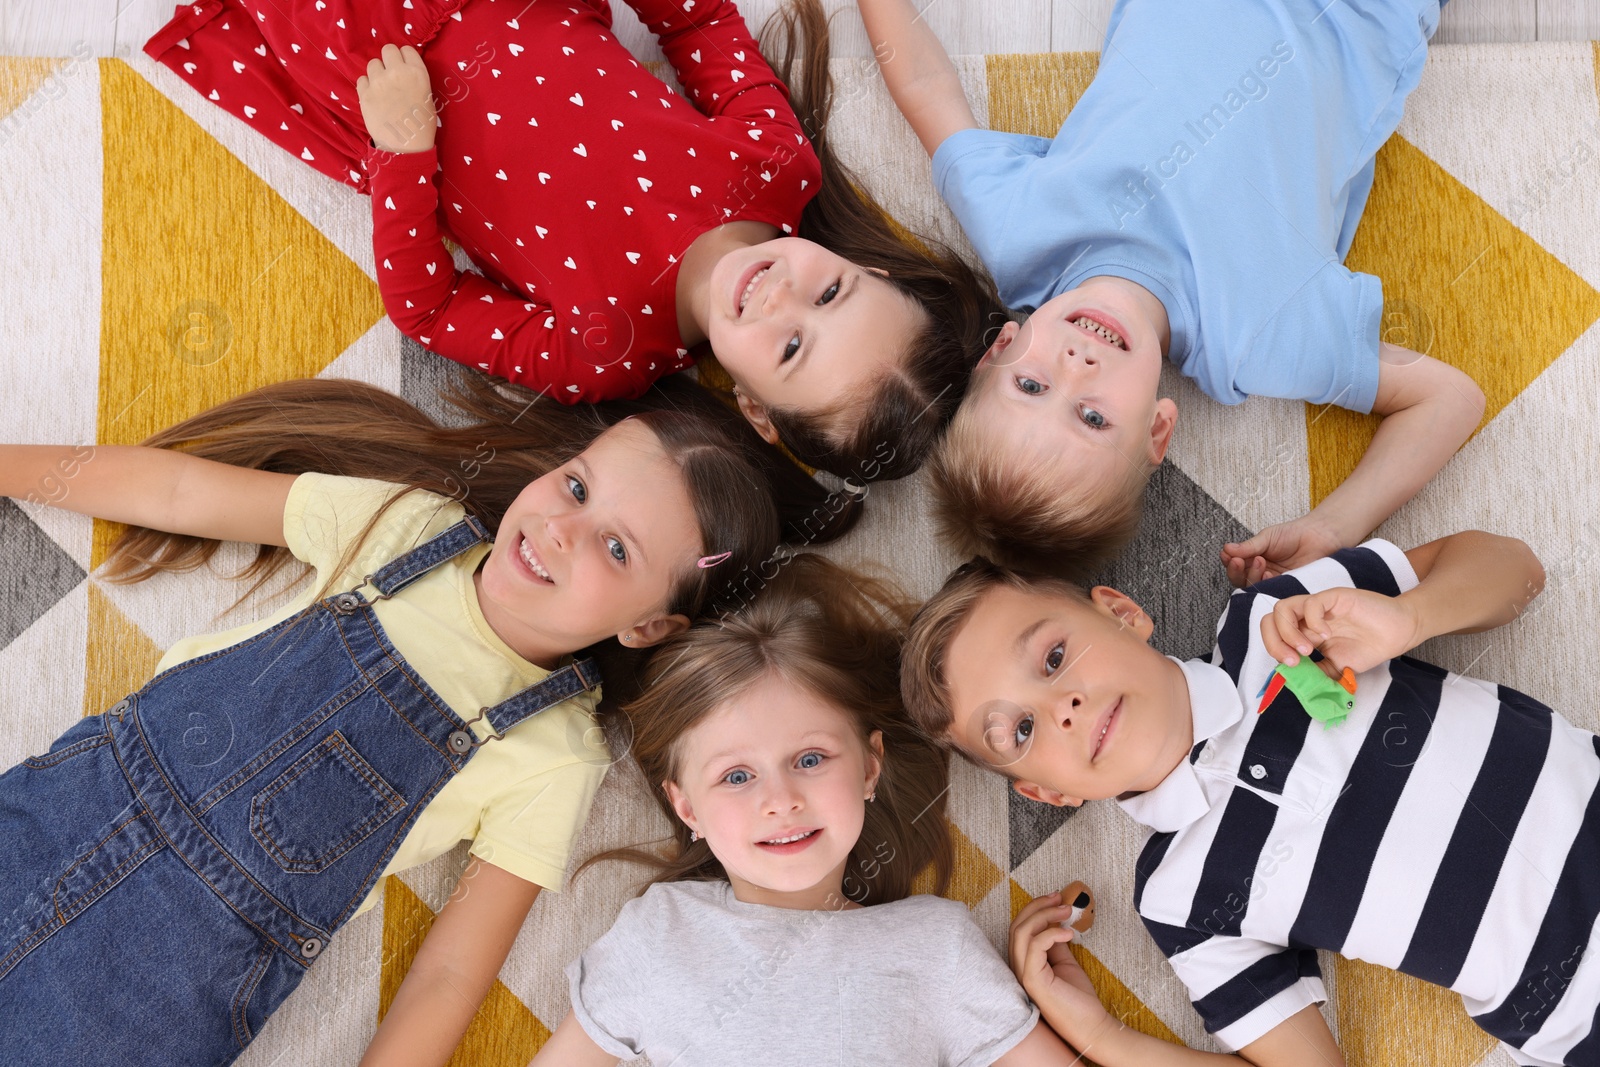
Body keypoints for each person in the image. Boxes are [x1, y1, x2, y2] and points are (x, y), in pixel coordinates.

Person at [0, 374, 829, 1067]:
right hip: (65, 806)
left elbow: (450, 974)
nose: (561, 529)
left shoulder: (556, 752)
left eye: (617, 550)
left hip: (175, 976)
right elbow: (179, 488)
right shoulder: (405, 529)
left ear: (649, 626)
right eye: (576, 486)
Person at [143, 0, 1004, 480]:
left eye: (789, 347)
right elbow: (698, 26)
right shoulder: (779, 167)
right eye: (831, 292)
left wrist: (404, 151)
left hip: (377, 66)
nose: (783, 295)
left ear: (754, 409)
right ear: (861, 263)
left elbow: (430, 308)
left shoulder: (606, 355)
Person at [900, 532, 1600, 1066]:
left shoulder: (1274, 620)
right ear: (1046, 792)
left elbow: (1518, 571)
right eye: (1019, 728)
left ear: (1121, 613)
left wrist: (1407, 618)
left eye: (1053, 658)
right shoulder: (1179, 896)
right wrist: (1106, 1040)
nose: (1063, 705)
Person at [854, 0, 1485, 579]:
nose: (1076, 367)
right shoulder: (1259, 337)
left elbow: (923, 86)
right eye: (1093, 417)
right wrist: (1335, 525)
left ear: (1001, 349)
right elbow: (1447, 398)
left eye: (1032, 386)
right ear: (1158, 430)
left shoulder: (1021, 235)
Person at [532, 555, 1084, 1065]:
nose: (781, 801)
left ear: (870, 768)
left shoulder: (939, 950)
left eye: (811, 758)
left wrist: (1088, 1027)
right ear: (687, 809)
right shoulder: (658, 936)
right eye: (737, 776)